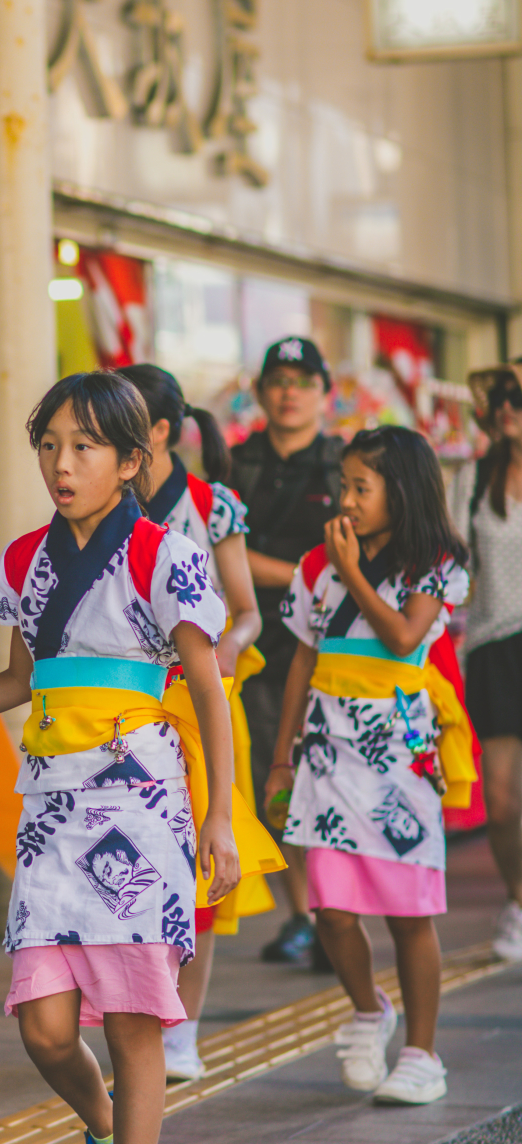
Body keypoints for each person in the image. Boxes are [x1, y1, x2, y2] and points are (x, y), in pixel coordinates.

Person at [0, 371, 238, 1144]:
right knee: (46, 1030)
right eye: (49, 443)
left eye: (84, 446)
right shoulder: (22, 560)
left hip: (141, 814)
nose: (62, 462)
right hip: (51, 812)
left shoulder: (164, 552)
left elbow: (205, 690)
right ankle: (100, 1133)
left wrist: (217, 818)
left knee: (135, 1021)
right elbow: (18, 681)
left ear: (131, 460)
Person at [266, 427, 473, 1105]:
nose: (347, 500)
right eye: (344, 485)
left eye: (363, 487)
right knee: (327, 906)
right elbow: (301, 657)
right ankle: (367, 1010)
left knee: (408, 911)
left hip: (396, 758)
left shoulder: (433, 565)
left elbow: (404, 635)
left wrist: (351, 570)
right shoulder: (313, 567)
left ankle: (422, 1051)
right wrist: (280, 756)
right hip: (325, 753)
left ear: (403, 492)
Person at [121, 364, 266, 1082]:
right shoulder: (96, 500)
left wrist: (221, 658)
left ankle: (184, 1030)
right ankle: (139, 1022)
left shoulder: (212, 506)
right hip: (124, 713)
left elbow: (246, 613)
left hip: (199, 706)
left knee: (201, 869)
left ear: (158, 432)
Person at [228, 336, 345, 965]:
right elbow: (224, 555)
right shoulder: (236, 465)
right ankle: (304, 914)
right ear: (261, 392)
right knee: (277, 783)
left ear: (324, 393)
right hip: (261, 649)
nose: (289, 391)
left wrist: (277, 570)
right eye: (278, 380)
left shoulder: (344, 462)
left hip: (337, 649)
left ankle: (335, 912)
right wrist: (308, 567)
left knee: (332, 780)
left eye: (303, 380)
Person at [459, 362, 522, 963]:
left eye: (520, 397)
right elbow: (449, 565)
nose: (508, 406)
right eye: (502, 396)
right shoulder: (476, 479)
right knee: (501, 798)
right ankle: (518, 900)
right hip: (494, 647)